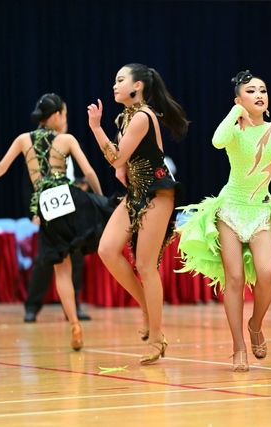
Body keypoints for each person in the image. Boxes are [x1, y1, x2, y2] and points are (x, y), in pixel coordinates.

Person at [176, 70, 271, 372]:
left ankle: (255, 324)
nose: (259, 95)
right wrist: (236, 112)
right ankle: (238, 346)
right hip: (230, 210)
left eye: (263, 90)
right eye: (251, 91)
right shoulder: (234, 130)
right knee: (234, 279)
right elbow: (217, 141)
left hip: (261, 211)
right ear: (239, 100)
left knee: (267, 274)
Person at [0, 93, 113, 350]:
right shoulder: (67, 139)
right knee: (111, 215)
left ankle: (74, 324)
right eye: (65, 114)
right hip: (70, 201)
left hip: (46, 208)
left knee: (62, 269)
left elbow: (0, 169)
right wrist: (100, 200)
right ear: (56, 115)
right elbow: (90, 172)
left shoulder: (22, 140)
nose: (66, 119)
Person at [87, 63, 188, 365]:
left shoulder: (143, 116)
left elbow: (117, 157)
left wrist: (96, 128)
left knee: (145, 265)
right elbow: (125, 161)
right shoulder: (127, 117)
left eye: (120, 80)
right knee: (106, 249)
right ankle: (146, 307)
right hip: (136, 191)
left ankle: (157, 338)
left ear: (138, 86)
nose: (115, 85)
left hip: (157, 192)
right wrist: (122, 168)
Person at [23, 158, 91, 323]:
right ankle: (32, 307)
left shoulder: (75, 150)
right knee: (44, 261)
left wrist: (84, 187)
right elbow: (30, 185)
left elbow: (85, 177)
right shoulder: (41, 153)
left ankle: (72, 308)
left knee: (76, 260)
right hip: (50, 213)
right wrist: (33, 212)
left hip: (72, 212)